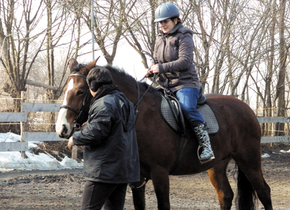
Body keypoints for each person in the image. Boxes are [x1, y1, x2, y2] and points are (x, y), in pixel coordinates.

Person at [145, 2, 215, 163]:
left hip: (185, 84)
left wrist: (160, 67)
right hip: (164, 85)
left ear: (175, 20)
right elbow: (156, 60)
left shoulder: (184, 36)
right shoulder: (159, 39)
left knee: (187, 107)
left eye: (165, 21)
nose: (162, 25)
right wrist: (151, 70)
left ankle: (206, 146)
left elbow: (185, 61)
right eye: (160, 22)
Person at [68, 67, 140, 209]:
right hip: (121, 171)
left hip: (104, 171)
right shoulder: (126, 102)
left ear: (93, 85)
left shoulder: (103, 104)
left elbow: (96, 132)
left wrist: (75, 138)